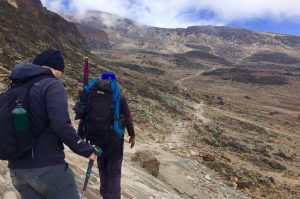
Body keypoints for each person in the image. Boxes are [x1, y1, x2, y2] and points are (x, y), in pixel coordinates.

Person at [8, 49, 98, 199]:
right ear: (55, 68)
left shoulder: (16, 85)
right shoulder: (52, 85)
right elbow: (60, 125)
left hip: (17, 170)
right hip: (47, 168)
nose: (60, 75)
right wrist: (86, 149)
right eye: (60, 72)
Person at [79, 72, 135, 199]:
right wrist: (132, 135)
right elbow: (127, 118)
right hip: (114, 141)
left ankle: (105, 195)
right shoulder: (119, 97)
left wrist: (80, 135)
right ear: (114, 81)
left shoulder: (92, 95)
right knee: (114, 172)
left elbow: (84, 115)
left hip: (96, 139)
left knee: (102, 168)